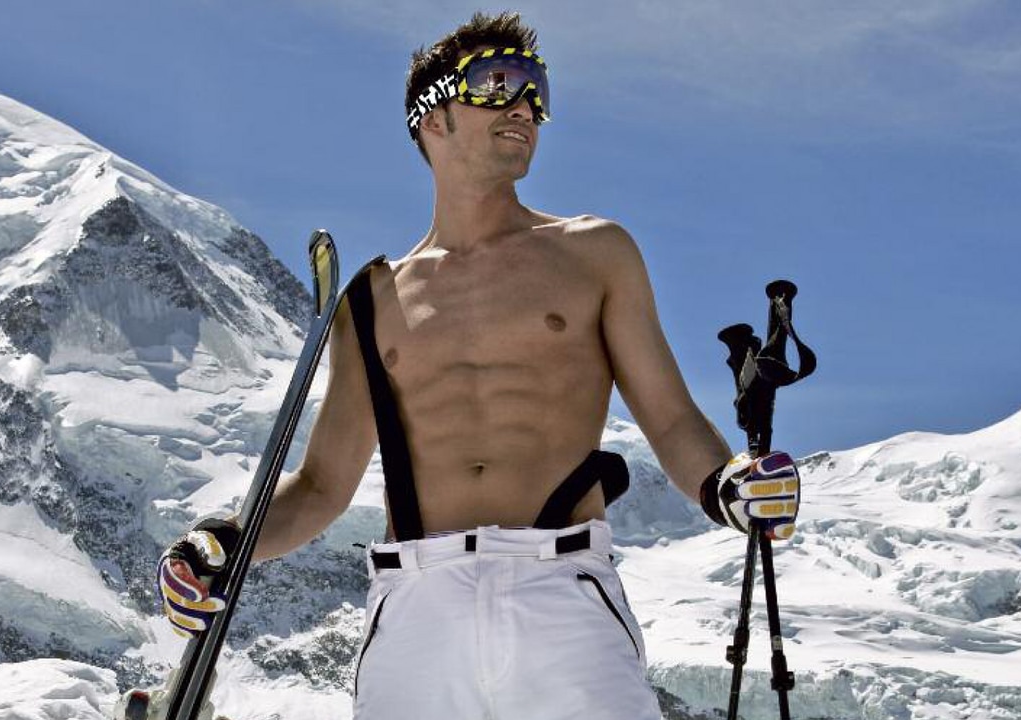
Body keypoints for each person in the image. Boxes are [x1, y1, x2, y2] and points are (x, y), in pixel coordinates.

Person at [156, 11, 800, 720]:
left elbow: (671, 420)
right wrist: (222, 540)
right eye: (499, 83)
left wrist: (726, 487)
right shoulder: (370, 299)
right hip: (416, 607)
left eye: (537, 91)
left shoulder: (595, 254)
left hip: (563, 591)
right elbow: (320, 487)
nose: (525, 106)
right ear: (433, 117)